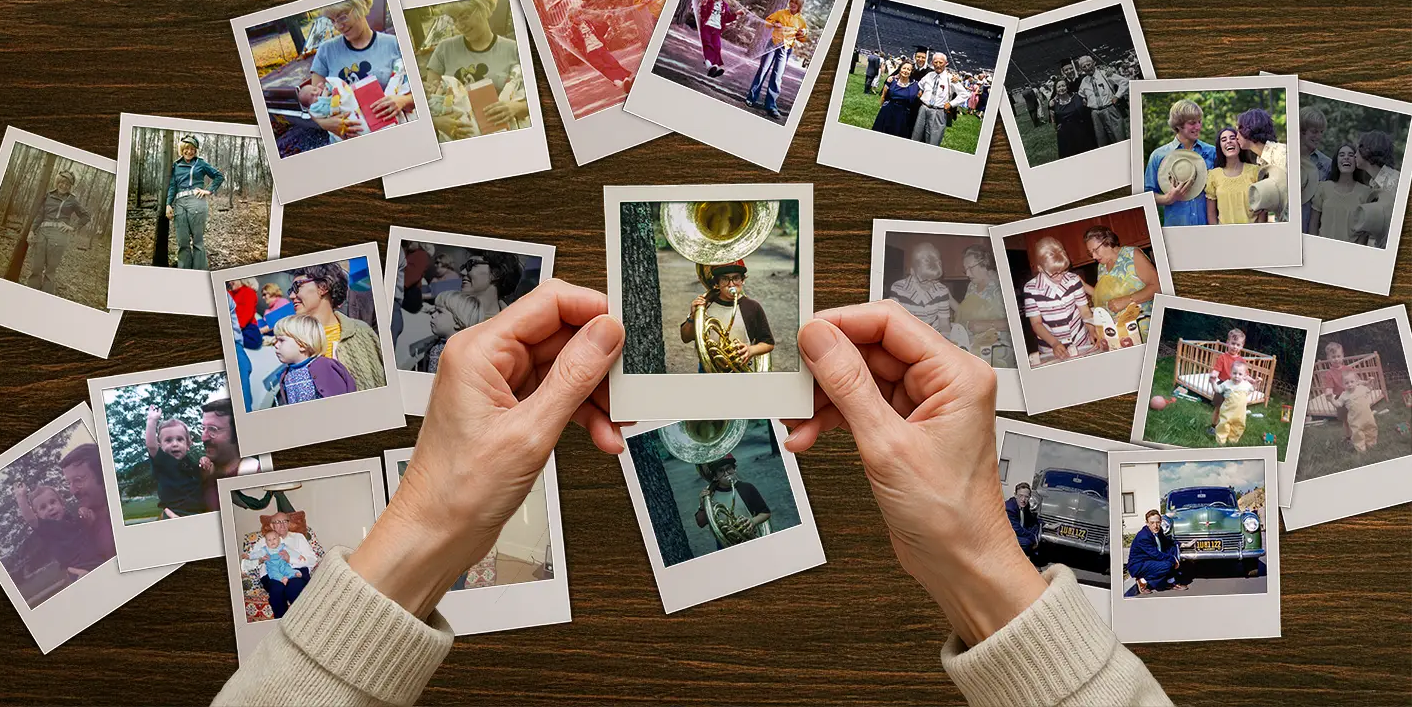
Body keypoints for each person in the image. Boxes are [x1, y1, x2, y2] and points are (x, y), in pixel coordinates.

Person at [212, 284, 1169, 706]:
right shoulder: (691, 314)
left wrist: (432, 527)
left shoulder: (749, 314)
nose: (733, 285)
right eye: (725, 280)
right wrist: (970, 563)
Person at [308, 0, 415, 136]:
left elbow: (421, 92)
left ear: (360, 7)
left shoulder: (394, 44)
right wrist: (324, 123)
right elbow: (313, 102)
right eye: (332, 20)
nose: (338, 26)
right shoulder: (326, 51)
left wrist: (403, 100)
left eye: (342, 16)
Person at [423, 0, 529, 140]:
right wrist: (437, 123)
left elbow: (535, 101)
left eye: (464, 17)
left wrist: (516, 108)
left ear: (484, 9)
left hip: (503, 139)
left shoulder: (514, 49)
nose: (459, 26)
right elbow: (429, 103)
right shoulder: (444, 49)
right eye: (454, 19)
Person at [287, 263, 387, 391]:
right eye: (291, 290)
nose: (291, 296)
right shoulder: (291, 340)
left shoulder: (362, 332)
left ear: (323, 287)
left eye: (297, 286)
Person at [680, 260, 775, 371]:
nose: (731, 284)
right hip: (708, 370)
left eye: (736, 278)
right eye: (725, 279)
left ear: (743, 280)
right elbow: (685, 338)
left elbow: (768, 343)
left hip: (741, 370)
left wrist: (750, 350)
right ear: (717, 283)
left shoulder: (753, 307)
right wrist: (693, 316)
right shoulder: (705, 305)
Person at [1021, 237, 1097, 364]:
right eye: (1054, 273)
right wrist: (1055, 343)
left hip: (1080, 342)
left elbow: (1084, 312)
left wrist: (1091, 329)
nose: (1061, 277)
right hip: (1050, 348)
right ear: (1040, 268)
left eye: (1063, 270)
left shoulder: (1073, 280)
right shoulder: (1031, 289)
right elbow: (1036, 324)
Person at [1144, 99, 1217, 226]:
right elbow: (1146, 195)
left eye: (1199, 122)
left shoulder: (1213, 152)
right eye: (1192, 123)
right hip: (1176, 228)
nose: (1198, 127)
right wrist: (1167, 198)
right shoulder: (1159, 156)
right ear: (1178, 125)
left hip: (1208, 228)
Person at [13, 480, 104, 580]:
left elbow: (90, 530)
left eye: (53, 502)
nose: (50, 508)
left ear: (61, 503)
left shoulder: (73, 519)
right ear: (37, 515)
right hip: (80, 571)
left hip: (98, 561)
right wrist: (21, 497)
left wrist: (86, 514)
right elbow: (30, 519)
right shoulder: (48, 529)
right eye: (43, 507)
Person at [1081, 225, 1158, 341]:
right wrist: (1083, 285)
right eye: (1090, 253)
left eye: (1095, 250)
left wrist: (1128, 300)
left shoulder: (1132, 254)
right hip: (1118, 334)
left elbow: (1158, 287)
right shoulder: (1101, 267)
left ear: (1107, 241)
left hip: (1142, 330)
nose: (1093, 256)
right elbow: (1103, 297)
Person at [262, 314, 358, 406]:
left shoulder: (324, 367)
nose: (275, 344)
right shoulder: (287, 375)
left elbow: (341, 401)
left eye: (281, 340)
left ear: (302, 345)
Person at [160, 134, 224, 271]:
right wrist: (168, 204)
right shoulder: (176, 165)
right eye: (187, 148)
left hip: (197, 201)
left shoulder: (200, 163)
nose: (190, 152)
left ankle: (199, 272)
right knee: (182, 242)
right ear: (182, 148)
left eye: (193, 149)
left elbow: (219, 176)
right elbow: (172, 186)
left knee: (198, 241)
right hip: (179, 204)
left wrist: (209, 191)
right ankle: (184, 272)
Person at [240, 512, 319, 620]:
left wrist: (290, 559)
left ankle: (302, 622)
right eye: (277, 522)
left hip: (295, 572)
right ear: (272, 525)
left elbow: (312, 560)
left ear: (289, 523)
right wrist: (260, 560)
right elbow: (245, 564)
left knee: (294, 588)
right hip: (272, 574)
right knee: (276, 590)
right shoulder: (263, 542)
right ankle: (281, 625)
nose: (282, 525)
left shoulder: (298, 537)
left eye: (285, 521)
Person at [25, 168, 91, 295]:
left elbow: (86, 216)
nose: (64, 186)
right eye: (62, 182)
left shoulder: (72, 200)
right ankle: (31, 294)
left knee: (50, 270)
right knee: (36, 267)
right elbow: (40, 215)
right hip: (42, 233)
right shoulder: (48, 196)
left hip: (59, 236)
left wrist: (72, 227)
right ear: (57, 182)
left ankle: (45, 296)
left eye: (67, 184)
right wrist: (32, 230)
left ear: (70, 186)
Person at [746, 0, 809, 119]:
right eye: (792, 1)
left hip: (785, 49)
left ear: (800, 6)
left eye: (796, 4)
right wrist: (775, 23)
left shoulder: (801, 20)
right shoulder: (781, 13)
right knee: (763, 70)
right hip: (772, 44)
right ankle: (751, 98)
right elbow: (767, 22)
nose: (792, 5)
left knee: (777, 76)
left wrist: (802, 33)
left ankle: (770, 105)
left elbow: (803, 38)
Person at [953, 244, 1016, 368]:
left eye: (970, 268)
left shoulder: (1002, 284)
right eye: (965, 269)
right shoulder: (972, 286)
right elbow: (964, 311)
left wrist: (986, 325)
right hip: (973, 350)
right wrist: (948, 298)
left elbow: (1015, 322)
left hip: (998, 353)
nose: (967, 273)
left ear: (984, 262)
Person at [143, 406, 209, 519]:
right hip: (174, 512)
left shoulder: (191, 463)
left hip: (198, 512)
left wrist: (205, 460)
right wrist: (151, 421)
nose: (174, 444)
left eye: (179, 439)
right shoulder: (163, 462)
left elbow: (205, 475)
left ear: (188, 444)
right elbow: (151, 445)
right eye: (168, 440)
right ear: (160, 445)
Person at [694, 454, 771, 550]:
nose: (726, 473)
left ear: (735, 469)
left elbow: (766, 513)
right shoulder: (710, 494)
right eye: (721, 471)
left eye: (729, 468)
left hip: (751, 539)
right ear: (716, 476)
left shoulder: (747, 488)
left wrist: (752, 521)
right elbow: (700, 523)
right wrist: (703, 505)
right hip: (724, 545)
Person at [200, 396, 262, 511]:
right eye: (203, 428)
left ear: (237, 433)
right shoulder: (203, 473)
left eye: (213, 430)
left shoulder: (254, 473)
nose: (203, 438)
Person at [57, 443, 115, 564]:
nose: (72, 491)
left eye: (78, 480)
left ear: (103, 475)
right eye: (69, 483)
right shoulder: (83, 523)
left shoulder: (124, 514)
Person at [887, 240, 954, 336]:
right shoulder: (898, 289)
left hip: (933, 337)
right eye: (925, 279)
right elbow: (894, 320)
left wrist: (945, 341)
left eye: (934, 279)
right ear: (912, 271)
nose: (930, 284)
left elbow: (944, 324)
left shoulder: (941, 291)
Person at [1309, 144, 1372, 242]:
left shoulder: (1366, 192)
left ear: (1357, 161)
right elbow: (1313, 223)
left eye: (1351, 155)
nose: (1346, 157)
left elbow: (1364, 232)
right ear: (1336, 161)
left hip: (1350, 252)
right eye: (1342, 155)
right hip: (1322, 249)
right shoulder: (1323, 187)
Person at [564, 4, 634, 93]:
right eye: (576, 17)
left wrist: (606, 21)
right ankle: (620, 83)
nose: (579, 18)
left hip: (600, 47)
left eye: (580, 15)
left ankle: (627, 80)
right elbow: (579, 45)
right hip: (591, 53)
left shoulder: (588, 23)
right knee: (605, 68)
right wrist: (571, 38)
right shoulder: (573, 30)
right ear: (572, 20)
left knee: (613, 63)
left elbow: (600, 31)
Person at [1236, 107, 1288, 223]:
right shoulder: (1261, 161)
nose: (1236, 136)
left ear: (1249, 130)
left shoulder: (1282, 154)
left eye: (1239, 130)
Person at [1353, 130, 1402, 247]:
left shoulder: (1395, 183)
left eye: (1358, 150)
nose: (1355, 155)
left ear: (1368, 150)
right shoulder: (1374, 183)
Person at [912, 52, 970, 148]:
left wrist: (951, 104)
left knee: (933, 140)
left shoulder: (950, 78)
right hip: (923, 109)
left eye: (941, 62)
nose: (938, 65)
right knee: (916, 136)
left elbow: (964, 94)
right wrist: (920, 91)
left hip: (938, 112)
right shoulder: (929, 75)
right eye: (935, 62)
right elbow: (919, 86)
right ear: (932, 63)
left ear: (946, 63)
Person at [418, 290, 483, 374]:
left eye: (439, 312)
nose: (433, 315)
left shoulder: (462, 353)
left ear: (457, 322)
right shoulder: (437, 345)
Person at [1205, 127, 1260, 225]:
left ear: (1239, 142)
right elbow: (1211, 213)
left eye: (1232, 138)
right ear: (1220, 147)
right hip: (1224, 236)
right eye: (1224, 140)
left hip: (1253, 234)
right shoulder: (1213, 175)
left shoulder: (1255, 171)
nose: (1229, 141)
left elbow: (1262, 210)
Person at [1126, 510, 1187, 594]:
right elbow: (1156, 555)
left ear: (1161, 522)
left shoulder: (1159, 530)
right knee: (1167, 565)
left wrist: (1182, 545)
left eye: (1158, 522)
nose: (1155, 526)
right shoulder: (1143, 537)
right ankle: (1142, 580)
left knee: (1172, 549)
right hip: (1139, 565)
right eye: (1152, 523)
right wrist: (1173, 559)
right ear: (1147, 523)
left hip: (1149, 560)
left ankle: (1170, 582)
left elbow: (1167, 542)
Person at [1075, 55, 1129, 146]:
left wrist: (1117, 96)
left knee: (1119, 136)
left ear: (1094, 63)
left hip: (1109, 109)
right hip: (1095, 113)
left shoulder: (1105, 74)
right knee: (1102, 139)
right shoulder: (1084, 81)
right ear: (1081, 69)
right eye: (1084, 67)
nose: (1088, 68)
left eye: (1089, 64)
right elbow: (1081, 94)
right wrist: (1084, 99)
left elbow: (1125, 82)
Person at [458, 249, 523, 321]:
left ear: (496, 273)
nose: (462, 272)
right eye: (463, 267)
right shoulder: (449, 315)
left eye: (470, 265)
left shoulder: (514, 323)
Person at [697, 0, 743, 78]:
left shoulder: (724, 5)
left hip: (717, 29)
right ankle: (710, 66)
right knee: (707, 45)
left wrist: (736, 15)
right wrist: (704, 5)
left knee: (717, 47)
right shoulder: (708, 1)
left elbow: (726, 18)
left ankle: (716, 67)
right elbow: (703, 15)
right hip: (707, 26)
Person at [1208, 328, 1248, 437]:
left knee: (1231, 409)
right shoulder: (1222, 357)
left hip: (1235, 388)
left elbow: (1245, 375)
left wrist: (1252, 381)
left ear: (1241, 346)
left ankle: (1227, 427)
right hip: (1222, 384)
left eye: (1238, 345)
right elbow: (1217, 370)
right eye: (1233, 343)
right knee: (1218, 408)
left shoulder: (1241, 361)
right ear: (1228, 343)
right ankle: (1213, 426)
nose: (1235, 347)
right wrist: (1213, 375)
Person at [1319, 341, 1356, 450]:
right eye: (1333, 357)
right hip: (1340, 397)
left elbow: (1356, 381)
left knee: (1355, 417)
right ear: (1329, 358)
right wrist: (1329, 393)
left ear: (1343, 356)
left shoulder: (1349, 369)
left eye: (1338, 356)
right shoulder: (1329, 373)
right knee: (1346, 420)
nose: (1336, 359)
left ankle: (1358, 435)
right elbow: (1329, 387)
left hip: (1352, 396)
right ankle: (1348, 437)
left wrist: (1365, 383)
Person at [1049, 79, 1096, 159]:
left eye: (1063, 86)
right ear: (1056, 90)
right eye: (1059, 87)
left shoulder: (1076, 97)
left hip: (1080, 131)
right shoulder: (1053, 103)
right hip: (1065, 135)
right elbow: (1053, 120)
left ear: (1067, 87)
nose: (1061, 88)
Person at [871, 61, 919, 138]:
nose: (906, 71)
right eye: (904, 68)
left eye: (908, 69)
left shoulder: (915, 85)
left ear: (911, 72)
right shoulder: (891, 80)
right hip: (888, 110)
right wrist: (881, 107)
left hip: (902, 114)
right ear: (900, 69)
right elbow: (883, 95)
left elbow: (920, 95)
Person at [1214, 360, 1257, 445]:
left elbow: (1251, 390)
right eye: (1234, 373)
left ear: (1245, 376)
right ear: (1230, 373)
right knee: (1224, 424)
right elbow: (1218, 390)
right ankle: (1221, 439)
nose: (1237, 376)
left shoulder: (1245, 385)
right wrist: (1212, 382)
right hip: (1227, 411)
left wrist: (1256, 384)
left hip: (1240, 413)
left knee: (1239, 425)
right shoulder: (1227, 383)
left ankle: (1233, 440)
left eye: (1240, 374)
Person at [1336, 370, 1379, 453]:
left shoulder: (1361, 388)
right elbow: (1338, 404)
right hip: (1355, 419)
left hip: (1368, 416)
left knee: (1371, 428)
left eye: (1352, 382)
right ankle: (1361, 449)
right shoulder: (1344, 395)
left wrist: (1371, 381)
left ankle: (1371, 443)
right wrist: (1331, 400)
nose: (1350, 385)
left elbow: (1370, 388)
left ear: (1357, 382)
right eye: (1347, 383)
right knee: (1357, 434)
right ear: (1343, 385)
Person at [1005, 483, 1041, 563]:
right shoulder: (1009, 508)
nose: (1023, 500)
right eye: (1020, 496)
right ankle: (1025, 559)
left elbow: (1030, 518)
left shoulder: (1025, 505)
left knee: (1036, 526)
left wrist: (1044, 524)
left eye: (1026, 497)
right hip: (1005, 535)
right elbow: (1016, 529)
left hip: (1017, 531)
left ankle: (1029, 556)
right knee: (1027, 543)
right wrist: (1033, 537)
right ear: (1015, 495)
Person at [227, 278, 262, 350]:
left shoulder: (249, 292)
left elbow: (247, 313)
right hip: (233, 325)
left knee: (255, 342)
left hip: (247, 326)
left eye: (232, 280)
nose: (230, 282)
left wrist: (236, 328)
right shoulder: (229, 294)